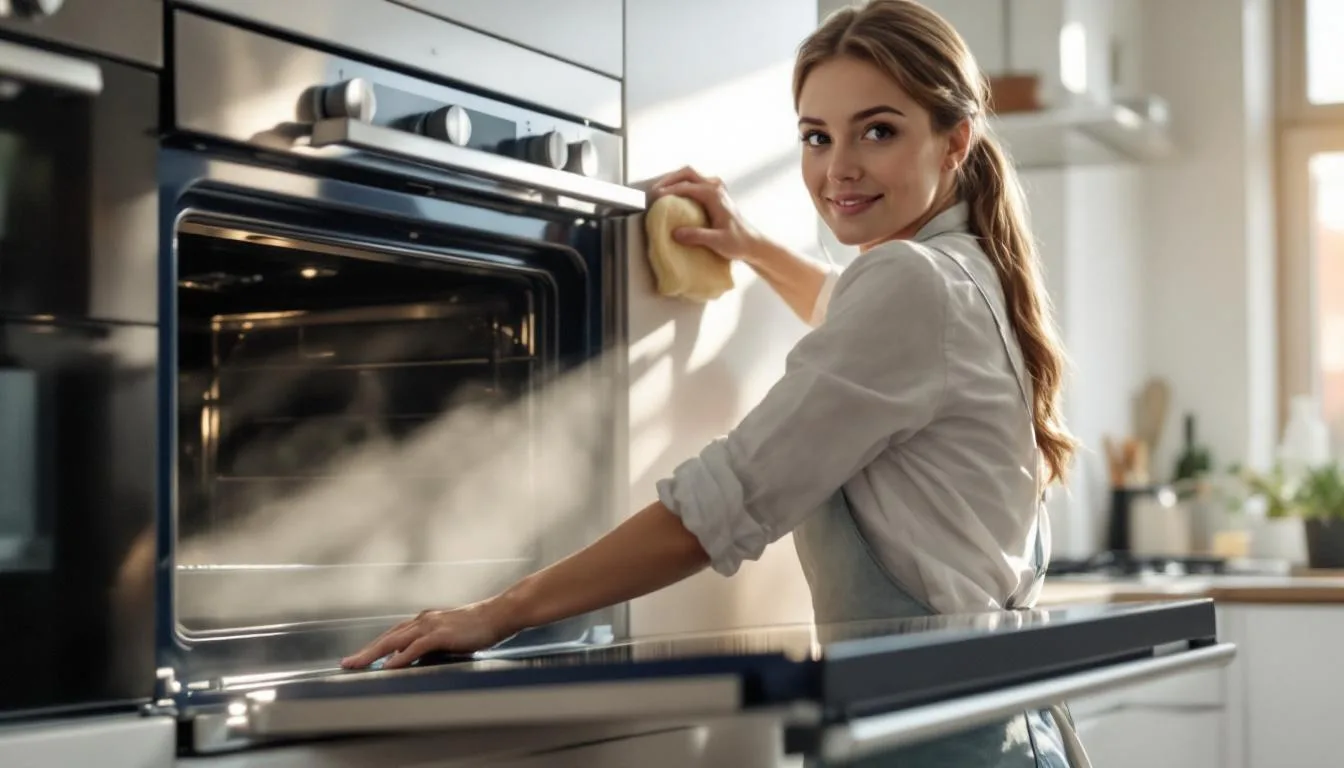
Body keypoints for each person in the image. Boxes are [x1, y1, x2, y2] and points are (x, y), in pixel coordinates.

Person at [343, 1, 1087, 764]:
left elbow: (724, 501)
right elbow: (844, 320)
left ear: (954, 139)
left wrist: (500, 613)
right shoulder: (964, 269)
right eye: (815, 137)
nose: (839, 170)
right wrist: (752, 243)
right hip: (987, 724)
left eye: (879, 130)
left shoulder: (910, 282)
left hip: (941, 740)